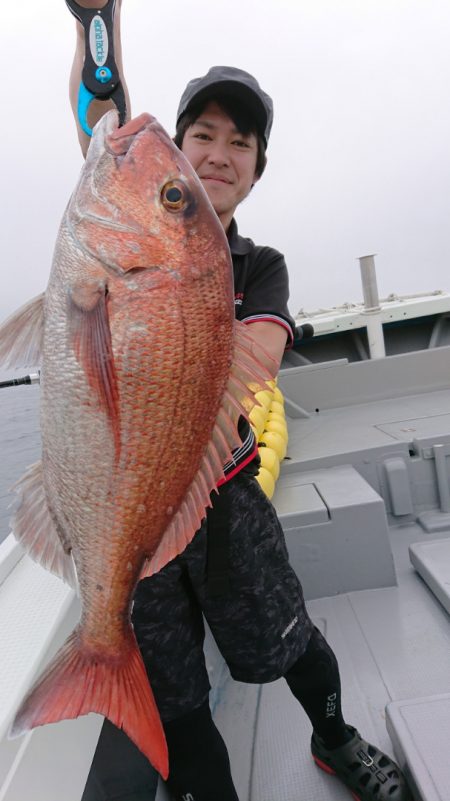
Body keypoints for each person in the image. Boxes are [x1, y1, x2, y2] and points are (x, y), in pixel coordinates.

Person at [69, 3, 411, 801]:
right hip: (137, 520)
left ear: (257, 167)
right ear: (178, 154)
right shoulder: (119, 244)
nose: (220, 154)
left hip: (226, 501)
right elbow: (101, 114)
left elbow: (255, 357)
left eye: (241, 142)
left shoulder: (261, 265)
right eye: (204, 136)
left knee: (294, 641)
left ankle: (336, 737)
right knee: (178, 698)